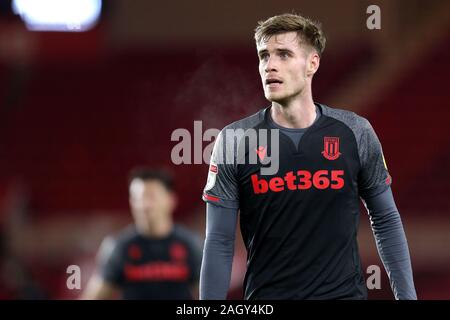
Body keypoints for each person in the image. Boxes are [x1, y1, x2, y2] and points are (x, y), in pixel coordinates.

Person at [200, 13, 417, 300]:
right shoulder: (235, 140)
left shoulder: (355, 132)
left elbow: (386, 219)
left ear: (312, 64)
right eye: (264, 56)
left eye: (284, 54)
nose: (270, 65)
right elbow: (219, 241)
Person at [82, 168, 202, 299]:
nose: (145, 205)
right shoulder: (118, 247)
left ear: (170, 200)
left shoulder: (191, 245)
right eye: (138, 198)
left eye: (152, 197)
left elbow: (207, 294)